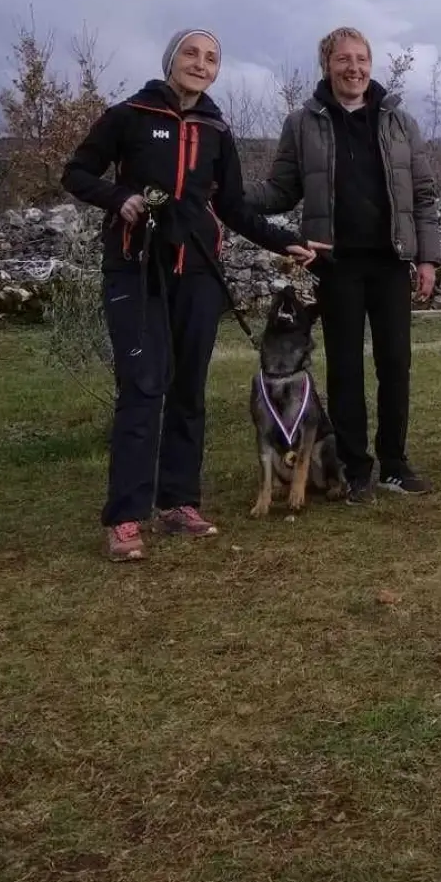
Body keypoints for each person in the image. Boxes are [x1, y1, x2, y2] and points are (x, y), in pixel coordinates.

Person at [62, 28, 321, 562]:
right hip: (136, 272)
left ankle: (178, 503)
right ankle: (125, 518)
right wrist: (119, 197)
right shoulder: (129, 115)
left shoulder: (216, 129)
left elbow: (233, 207)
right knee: (143, 388)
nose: (200, 65)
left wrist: (285, 241)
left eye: (211, 58)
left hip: (199, 276)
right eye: (191, 54)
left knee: (188, 390)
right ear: (170, 60)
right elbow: (77, 173)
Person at [246, 26, 441, 501]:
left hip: (391, 261)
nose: (354, 68)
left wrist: (428, 258)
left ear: (370, 65)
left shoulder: (399, 122)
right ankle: (354, 469)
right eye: (343, 59)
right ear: (327, 65)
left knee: (395, 364)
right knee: (345, 369)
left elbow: (422, 195)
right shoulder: (302, 123)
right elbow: (280, 190)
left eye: (361, 59)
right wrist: (227, 192)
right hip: (335, 265)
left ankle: (394, 463)